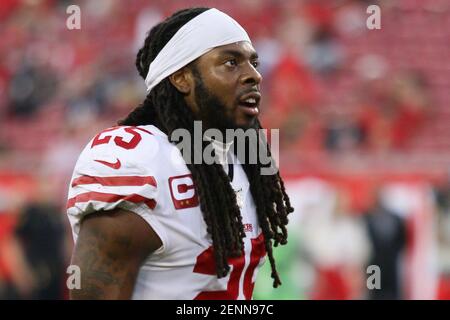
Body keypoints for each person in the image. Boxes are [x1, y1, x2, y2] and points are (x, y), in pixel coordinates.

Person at [66, 7, 293, 300]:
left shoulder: (246, 157)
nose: (254, 76)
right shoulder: (141, 159)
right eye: (230, 62)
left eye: (254, 62)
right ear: (182, 78)